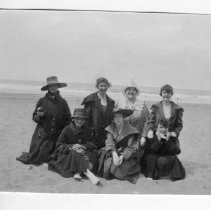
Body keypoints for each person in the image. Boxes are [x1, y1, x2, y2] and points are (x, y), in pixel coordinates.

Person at [16, 76, 71, 165]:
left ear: (57, 87)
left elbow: (68, 119)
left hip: (57, 136)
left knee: (53, 157)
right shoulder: (42, 101)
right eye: (51, 86)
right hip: (42, 135)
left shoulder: (63, 102)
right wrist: (38, 116)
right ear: (48, 88)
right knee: (38, 158)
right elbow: (34, 118)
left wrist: (64, 133)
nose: (53, 87)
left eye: (55, 86)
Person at [142, 84, 186, 181]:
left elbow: (179, 125)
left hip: (169, 138)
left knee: (169, 156)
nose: (166, 94)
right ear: (161, 93)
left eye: (168, 92)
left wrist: (173, 133)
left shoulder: (177, 108)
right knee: (152, 154)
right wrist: (150, 131)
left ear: (171, 94)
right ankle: (151, 173)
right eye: (164, 92)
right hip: (157, 136)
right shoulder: (155, 107)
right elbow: (151, 121)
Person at [48, 108, 100, 185]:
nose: (79, 121)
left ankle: (77, 172)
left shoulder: (87, 129)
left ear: (85, 120)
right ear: (73, 119)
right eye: (77, 119)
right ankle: (88, 173)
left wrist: (83, 146)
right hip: (68, 153)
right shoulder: (67, 129)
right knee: (75, 153)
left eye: (82, 119)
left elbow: (91, 143)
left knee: (91, 155)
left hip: (83, 151)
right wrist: (72, 146)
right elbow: (59, 145)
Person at [98, 108, 141, 184]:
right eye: (115, 117)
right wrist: (114, 154)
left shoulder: (131, 130)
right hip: (114, 151)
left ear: (123, 117)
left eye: (119, 117)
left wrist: (122, 156)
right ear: (113, 119)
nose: (117, 119)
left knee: (120, 170)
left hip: (127, 154)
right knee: (108, 168)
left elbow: (132, 147)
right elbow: (109, 142)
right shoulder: (111, 128)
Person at [81, 77, 115, 149]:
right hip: (93, 133)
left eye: (105, 86)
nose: (103, 88)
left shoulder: (111, 102)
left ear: (108, 86)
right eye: (101, 86)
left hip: (106, 133)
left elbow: (111, 119)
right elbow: (86, 118)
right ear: (97, 86)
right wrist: (88, 132)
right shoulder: (90, 99)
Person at [115, 81, 149, 146]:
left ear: (136, 92)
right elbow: (114, 121)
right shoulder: (119, 104)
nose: (131, 91)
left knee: (131, 154)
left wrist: (143, 136)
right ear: (125, 91)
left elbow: (147, 121)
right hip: (121, 136)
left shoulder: (142, 105)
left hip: (136, 137)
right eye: (129, 89)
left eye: (133, 90)